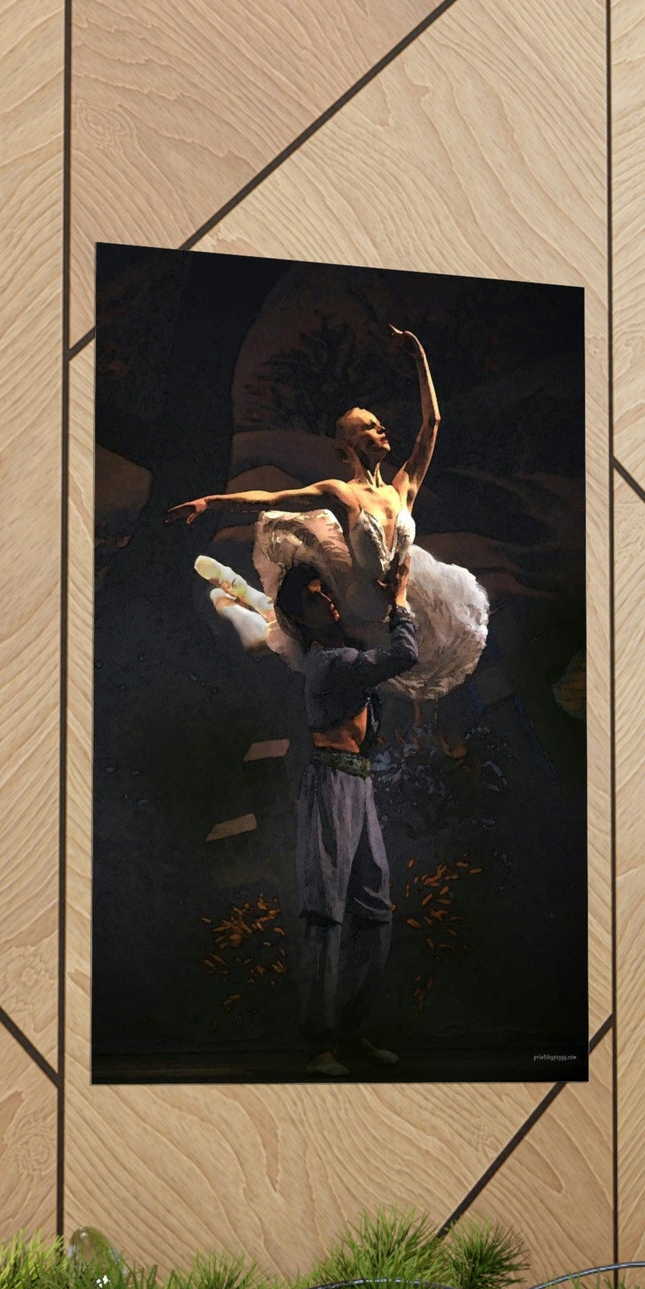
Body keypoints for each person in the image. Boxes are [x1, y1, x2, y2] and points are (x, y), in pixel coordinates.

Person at [165, 327, 488, 699]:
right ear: (347, 447)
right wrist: (211, 501)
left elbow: (431, 426)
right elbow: (272, 499)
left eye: (379, 424)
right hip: (360, 603)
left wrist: (419, 359)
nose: (380, 429)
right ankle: (237, 594)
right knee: (299, 634)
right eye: (368, 427)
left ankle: (240, 596)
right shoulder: (342, 493)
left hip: (398, 602)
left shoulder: (402, 489)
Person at [273, 554, 417, 1075]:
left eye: (325, 591)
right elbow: (404, 652)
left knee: (374, 910)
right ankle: (320, 1046)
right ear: (298, 617)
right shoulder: (330, 664)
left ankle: (352, 1032)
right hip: (331, 783)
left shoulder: (343, 657)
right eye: (314, 598)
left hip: (357, 783)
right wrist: (398, 600)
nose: (327, 599)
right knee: (325, 912)